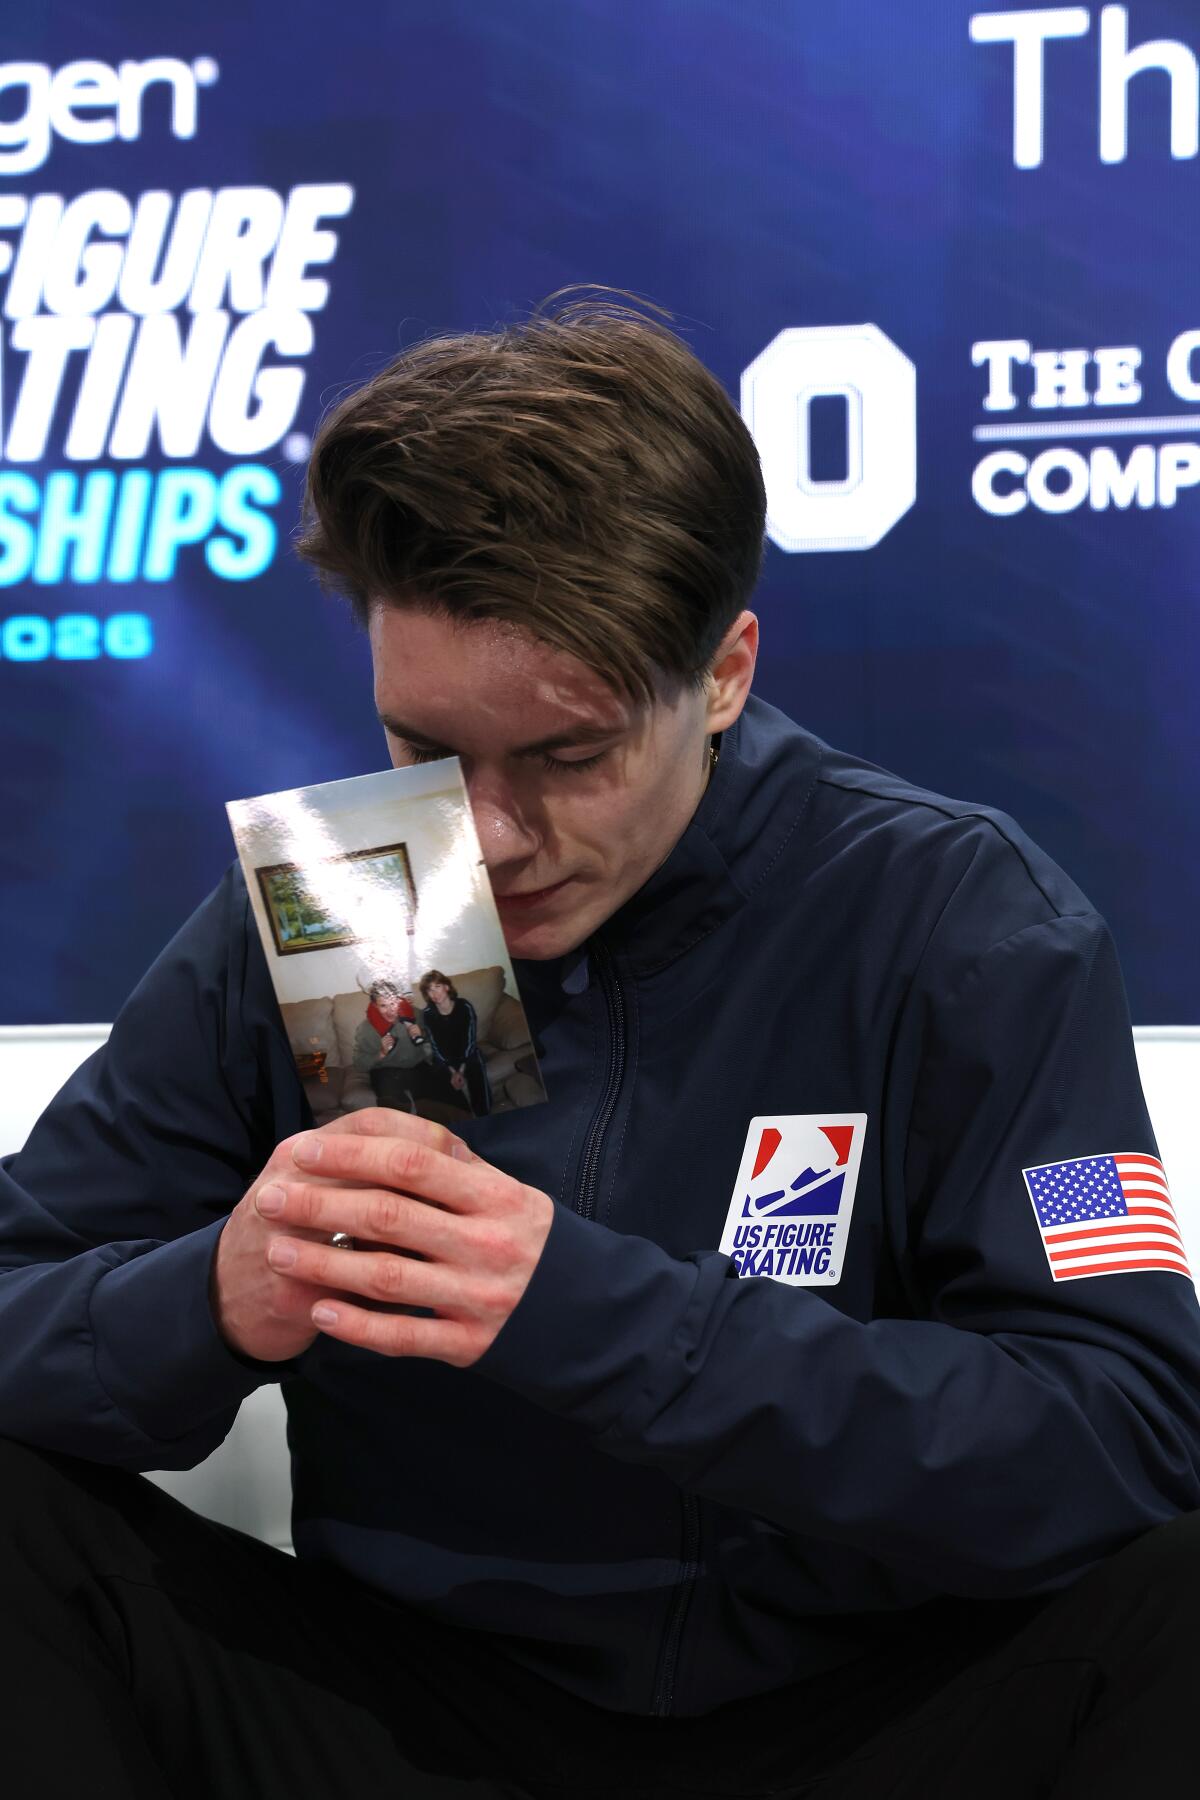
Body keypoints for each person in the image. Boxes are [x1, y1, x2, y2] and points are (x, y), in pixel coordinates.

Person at [1, 291, 1200, 1800]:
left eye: (568, 756)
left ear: (725, 672)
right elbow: (17, 1294)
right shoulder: (360, 900)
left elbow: (1125, 1434)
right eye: (426, 752)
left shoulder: (962, 921)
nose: (487, 838)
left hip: (864, 1720)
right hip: (402, 1717)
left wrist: (590, 1312)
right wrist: (217, 1300)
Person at [352, 978, 436, 1113]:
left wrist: (423, 1034)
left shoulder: (415, 1014)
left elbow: (435, 1039)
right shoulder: (365, 1029)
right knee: (394, 1112)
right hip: (386, 1071)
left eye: (393, 1004)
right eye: (383, 1006)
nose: (390, 1011)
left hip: (418, 1066)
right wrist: (381, 1053)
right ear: (374, 1006)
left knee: (436, 1108)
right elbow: (358, 1063)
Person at [417, 969, 491, 1117]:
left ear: (447, 987)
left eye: (437, 987)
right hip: (444, 1059)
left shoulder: (464, 1006)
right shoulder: (428, 1014)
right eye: (430, 990)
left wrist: (461, 1070)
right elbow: (435, 1046)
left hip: (468, 1053)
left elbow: (470, 1039)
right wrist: (452, 1071)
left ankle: (484, 1114)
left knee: (476, 1071)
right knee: (442, 1084)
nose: (434, 994)